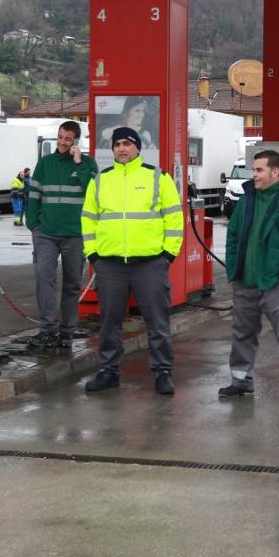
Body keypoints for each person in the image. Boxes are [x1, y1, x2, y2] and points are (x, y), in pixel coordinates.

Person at [80, 126, 183, 396]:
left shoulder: (158, 178)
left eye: (127, 143)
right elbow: (88, 220)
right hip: (110, 263)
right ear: (112, 149)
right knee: (109, 321)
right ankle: (108, 372)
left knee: (157, 321)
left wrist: (167, 255)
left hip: (150, 264)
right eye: (117, 144)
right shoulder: (100, 180)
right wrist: (94, 255)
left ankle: (162, 372)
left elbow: (174, 218)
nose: (122, 148)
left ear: (138, 147)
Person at [220, 150, 279, 407]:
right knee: (242, 333)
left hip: (275, 285)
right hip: (245, 283)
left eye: (259, 170)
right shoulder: (247, 200)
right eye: (254, 170)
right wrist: (233, 270)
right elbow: (233, 235)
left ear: (276, 172)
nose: (254, 175)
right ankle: (241, 381)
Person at [25, 122, 97, 349]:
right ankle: (47, 329)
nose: (63, 142)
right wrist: (34, 225)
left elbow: (94, 191)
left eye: (68, 139)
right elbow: (34, 196)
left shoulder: (87, 164)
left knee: (72, 283)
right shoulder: (44, 164)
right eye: (60, 137)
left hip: (75, 234)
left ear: (76, 141)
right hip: (45, 233)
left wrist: (79, 163)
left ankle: (67, 330)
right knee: (44, 277)